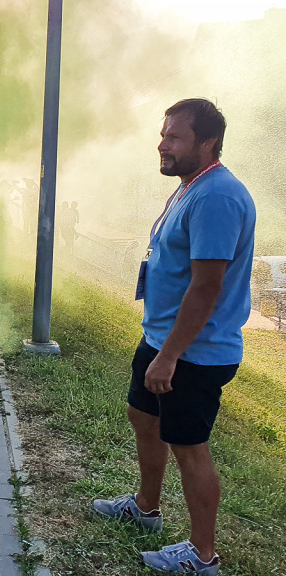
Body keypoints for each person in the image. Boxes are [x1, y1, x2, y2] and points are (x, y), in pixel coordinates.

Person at [92, 98, 255, 575]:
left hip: (193, 353)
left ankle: (203, 557)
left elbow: (207, 287)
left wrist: (170, 356)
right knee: (142, 417)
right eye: (163, 134)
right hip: (162, 341)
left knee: (189, 447)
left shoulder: (217, 197)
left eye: (175, 136)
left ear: (209, 143)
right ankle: (145, 508)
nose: (162, 144)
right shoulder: (191, 187)